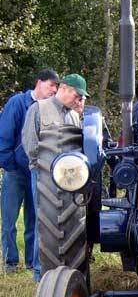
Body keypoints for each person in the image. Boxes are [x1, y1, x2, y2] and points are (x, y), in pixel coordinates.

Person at [22, 73, 89, 281]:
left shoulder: (73, 114)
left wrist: (80, 112)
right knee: (45, 221)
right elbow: (30, 143)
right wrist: (41, 167)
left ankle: (68, 268)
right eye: (77, 95)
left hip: (70, 179)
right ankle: (38, 273)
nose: (78, 100)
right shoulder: (39, 109)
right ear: (66, 89)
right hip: (44, 176)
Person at [0, 69, 59, 273]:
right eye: (51, 85)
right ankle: (10, 262)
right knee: (9, 219)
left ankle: (32, 262)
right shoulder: (18, 103)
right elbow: (5, 133)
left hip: (37, 172)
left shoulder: (49, 108)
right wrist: (9, 164)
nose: (54, 90)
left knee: (35, 219)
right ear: (39, 82)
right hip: (15, 171)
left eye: (57, 87)